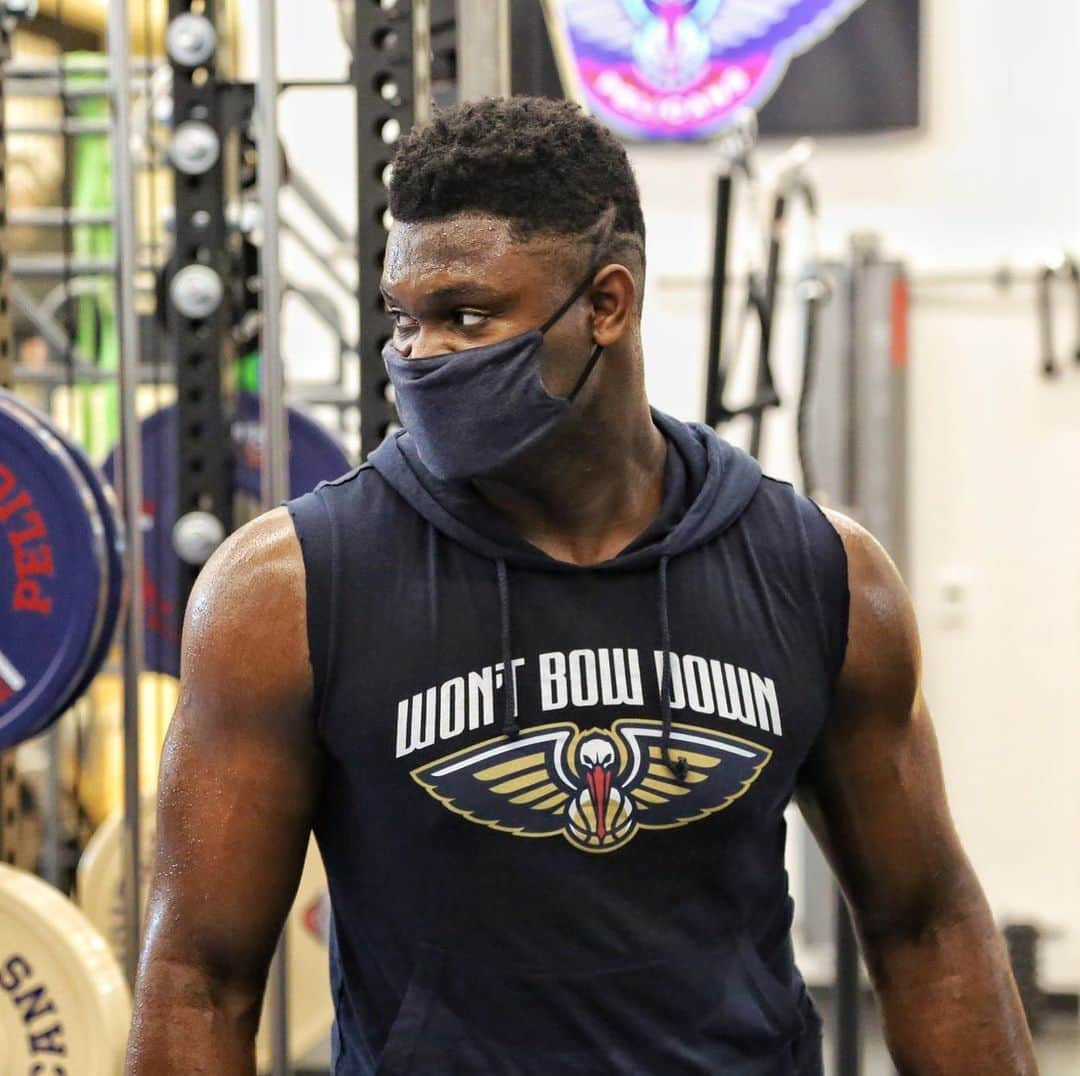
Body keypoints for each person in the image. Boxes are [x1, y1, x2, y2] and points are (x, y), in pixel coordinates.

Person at [126, 97, 1037, 1075]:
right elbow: (199, 980)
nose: (419, 358)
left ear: (607, 304)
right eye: (405, 319)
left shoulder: (820, 572)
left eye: (467, 315)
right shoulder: (287, 593)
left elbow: (927, 929)